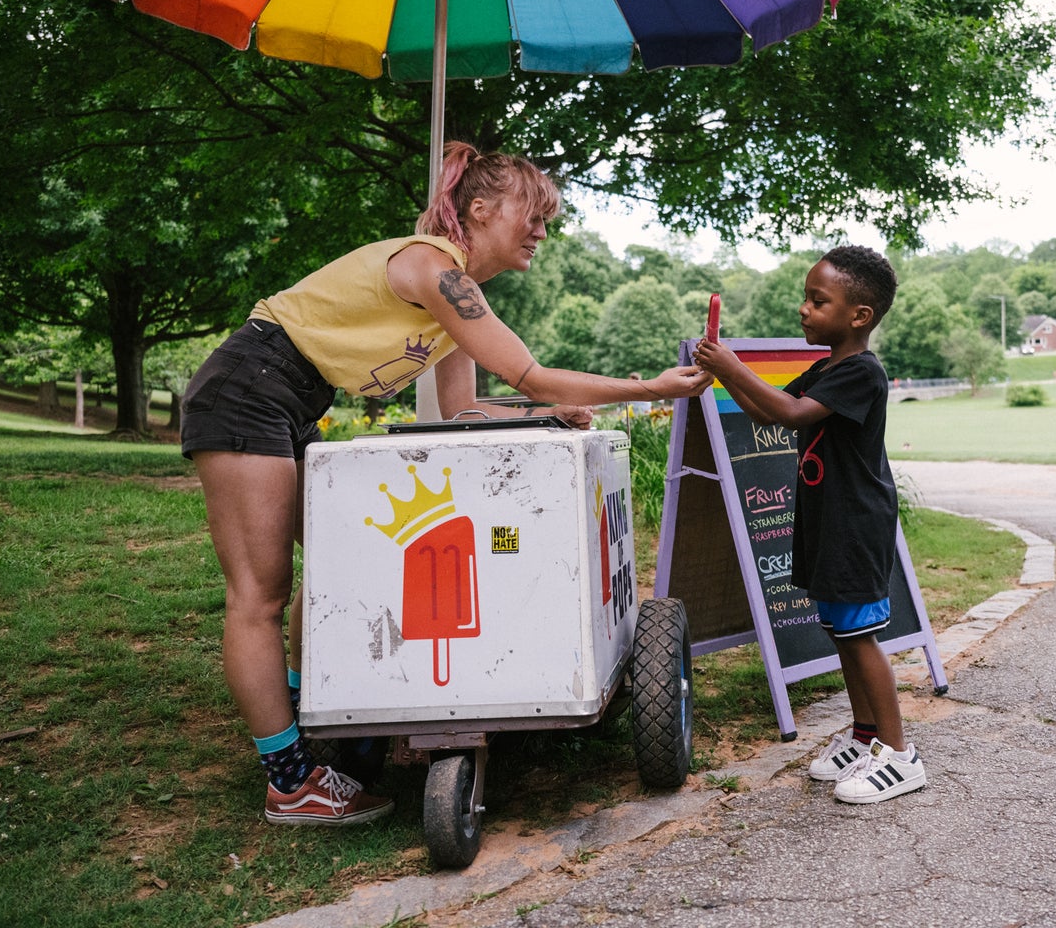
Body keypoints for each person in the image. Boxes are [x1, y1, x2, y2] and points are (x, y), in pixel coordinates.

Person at [180, 142, 711, 826]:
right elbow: (531, 373)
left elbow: (465, 411)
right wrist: (651, 387)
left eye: (549, 219)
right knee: (260, 594)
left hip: (288, 397)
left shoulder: (456, 297)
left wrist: (542, 414)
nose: (543, 230)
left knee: (342, 572)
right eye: (534, 213)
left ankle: (317, 731)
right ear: (481, 208)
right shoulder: (434, 268)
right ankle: (291, 780)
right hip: (247, 391)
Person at [691, 246, 925, 806]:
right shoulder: (825, 368)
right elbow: (768, 411)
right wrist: (721, 375)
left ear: (858, 316)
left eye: (818, 301)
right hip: (826, 521)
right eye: (806, 298)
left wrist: (732, 368)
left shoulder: (861, 372)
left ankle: (899, 754)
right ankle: (865, 736)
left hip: (855, 525)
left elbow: (793, 415)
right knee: (842, 633)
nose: (804, 309)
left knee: (860, 637)